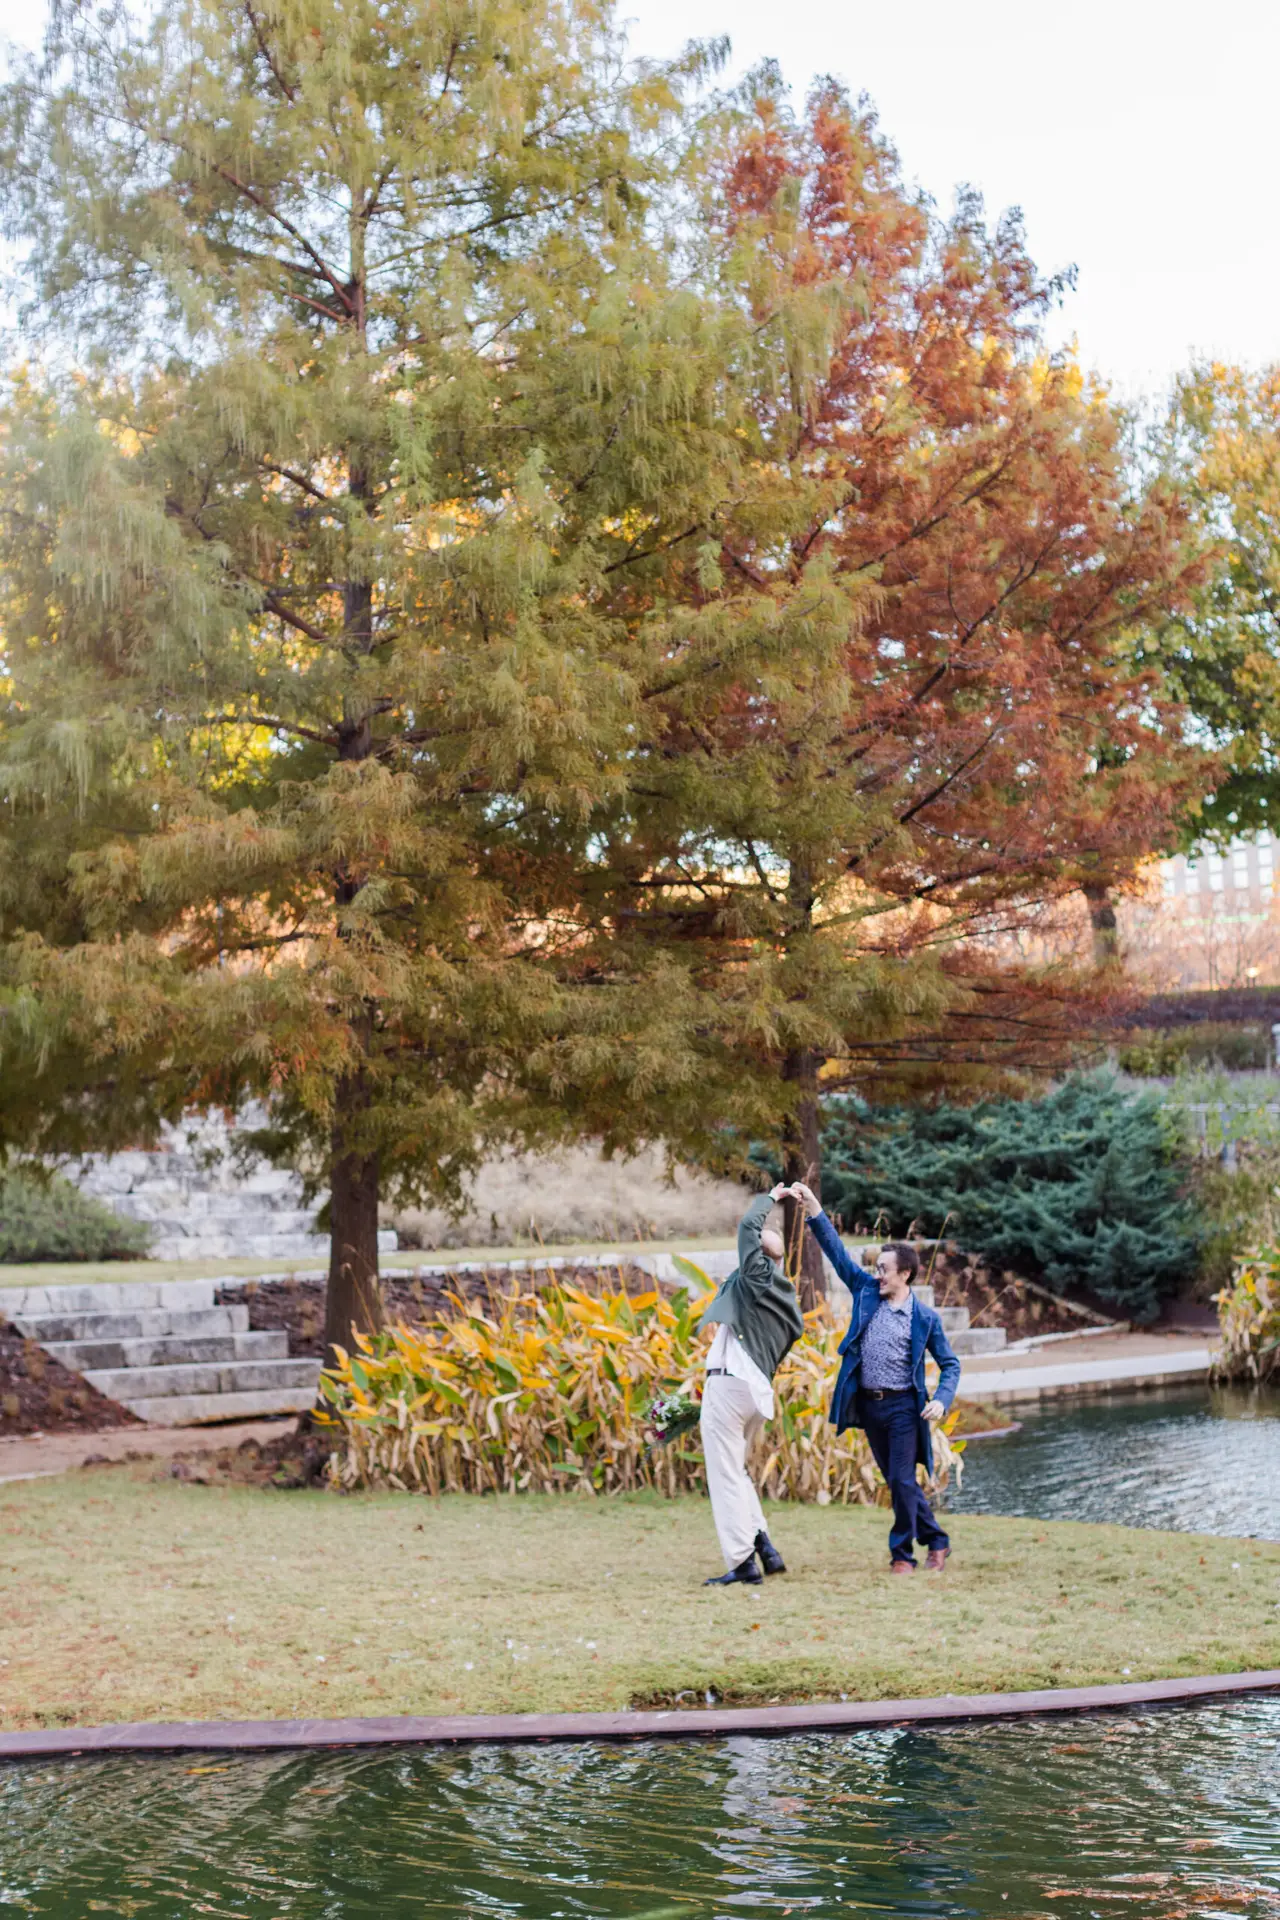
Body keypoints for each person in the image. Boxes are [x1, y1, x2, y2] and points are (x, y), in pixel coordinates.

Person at [788, 1182, 961, 1573]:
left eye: (884, 1269)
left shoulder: (925, 1319)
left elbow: (951, 1365)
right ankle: (937, 1539)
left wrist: (941, 1399)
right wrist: (814, 1207)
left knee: (901, 1482)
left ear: (906, 1274)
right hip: (869, 1406)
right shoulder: (866, 1292)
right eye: (876, 1268)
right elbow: (836, 1254)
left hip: (904, 1408)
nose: (876, 1274)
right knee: (898, 1483)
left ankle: (902, 1555)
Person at [698, 1184, 806, 1586]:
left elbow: (747, 1227)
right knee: (737, 1471)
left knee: (724, 1475)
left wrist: (770, 1199)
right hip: (754, 1392)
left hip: (730, 1388)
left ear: (761, 1256)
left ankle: (742, 1562)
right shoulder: (786, 1298)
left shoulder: (756, 1277)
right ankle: (764, 1545)